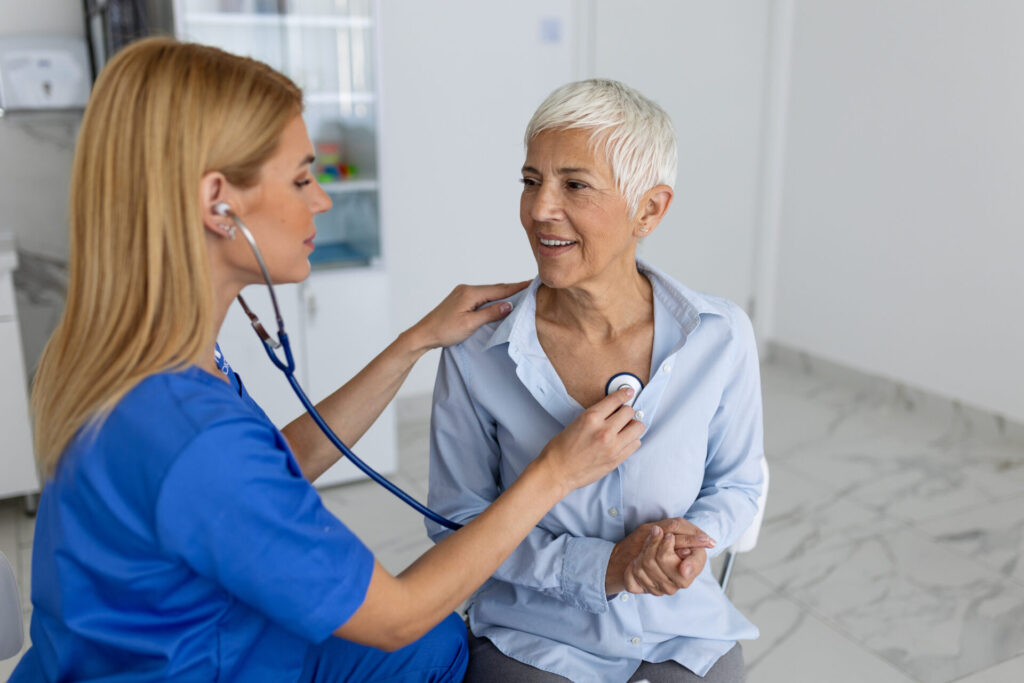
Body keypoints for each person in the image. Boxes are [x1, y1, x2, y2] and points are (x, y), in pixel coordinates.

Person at [10, 40, 652, 682]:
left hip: (109, 650)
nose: (321, 200)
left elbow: (258, 473)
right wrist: (555, 473)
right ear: (217, 202)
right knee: (430, 644)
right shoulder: (189, 431)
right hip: (182, 666)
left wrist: (414, 342)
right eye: (300, 178)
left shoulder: (124, 351)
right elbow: (397, 614)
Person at [426, 79, 765, 682]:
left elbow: (738, 484)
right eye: (531, 181)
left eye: (574, 185)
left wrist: (689, 541)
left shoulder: (721, 337)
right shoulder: (477, 350)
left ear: (650, 209)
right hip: (532, 636)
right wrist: (602, 567)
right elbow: (457, 520)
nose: (539, 209)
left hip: (681, 632)